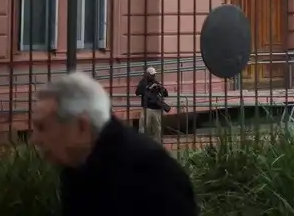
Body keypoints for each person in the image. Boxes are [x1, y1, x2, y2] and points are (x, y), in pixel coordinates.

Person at [31, 72, 197, 216]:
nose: (35, 139)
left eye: (43, 127)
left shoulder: (151, 171)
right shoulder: (77, 165)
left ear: (82, 126)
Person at [135, 67, 170, 141]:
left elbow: (166, 94)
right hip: (147, 108)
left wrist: (161, 88)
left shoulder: (156, 82)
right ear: (147, 74)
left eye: (154, 75)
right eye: (152, 75)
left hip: (157, 108)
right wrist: (148, 88)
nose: (153, 76)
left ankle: (157, 144)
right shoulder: (143, 82)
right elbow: (137, 92)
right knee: (143, 127)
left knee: (157, 128)